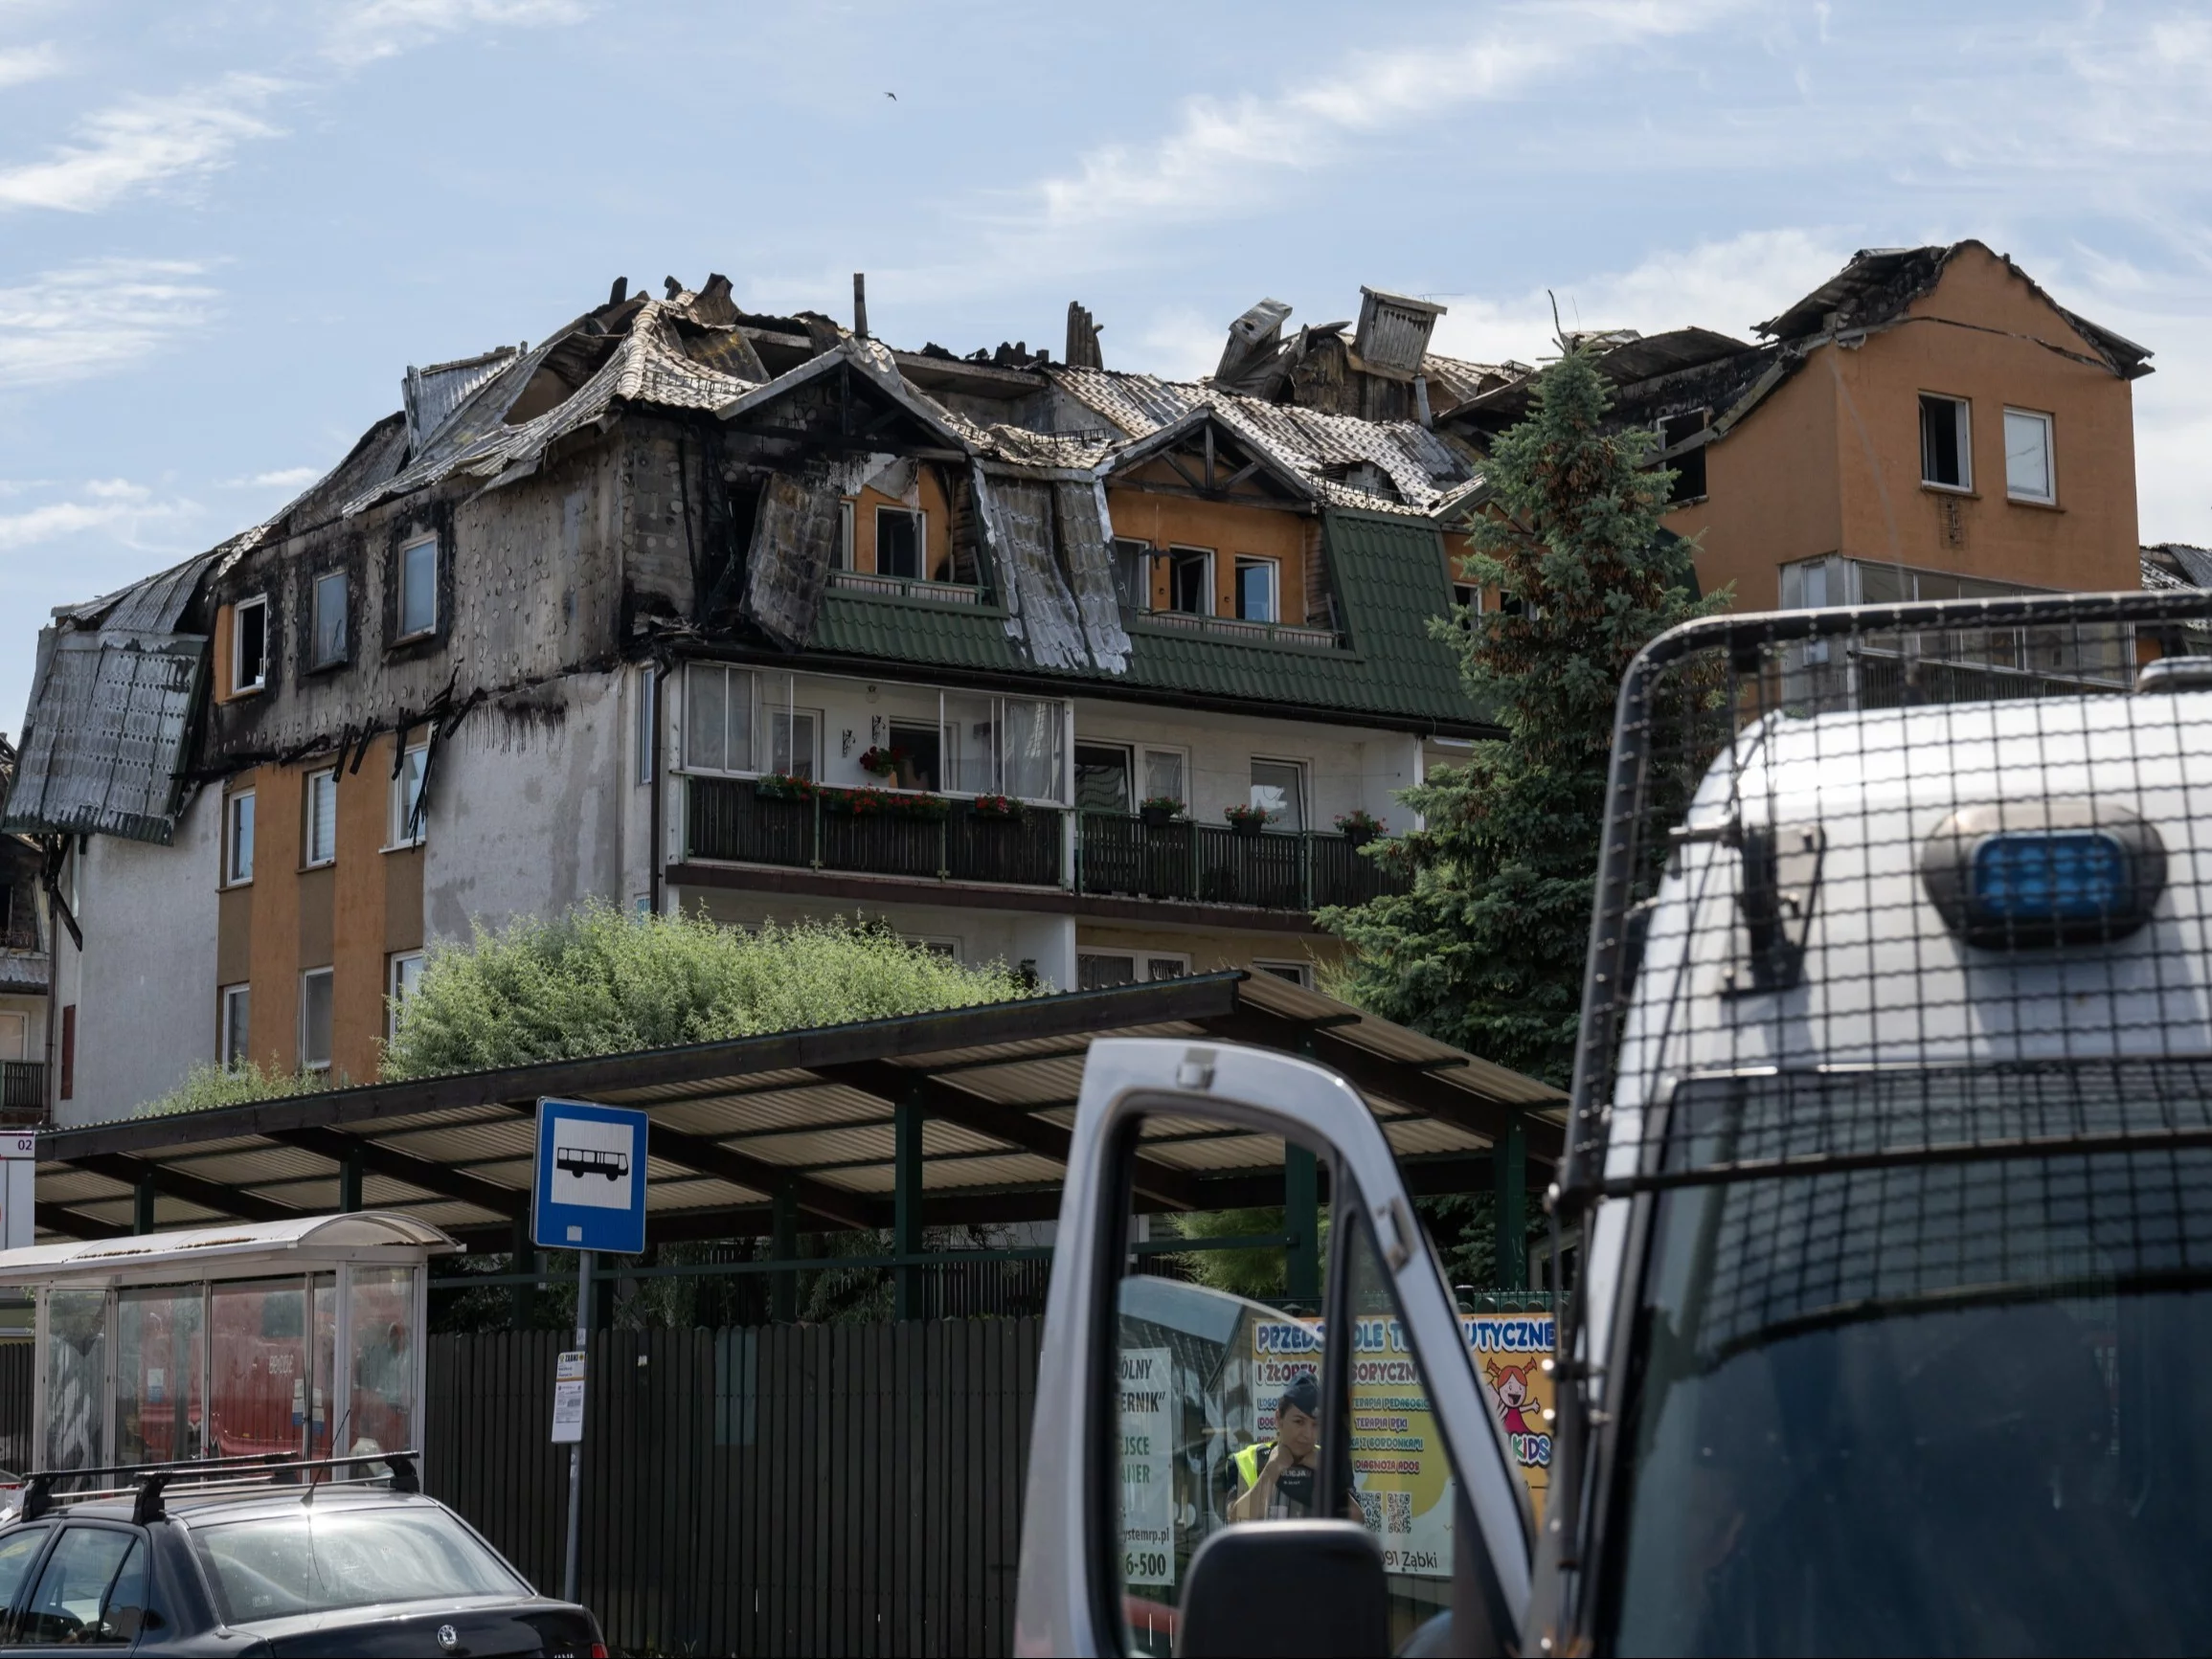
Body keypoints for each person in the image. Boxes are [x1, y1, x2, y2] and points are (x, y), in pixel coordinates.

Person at [1230, 1375, 1323, 1522]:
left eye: (1315, 1424)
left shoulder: (1328, 1460)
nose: (1308, 1434)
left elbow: (1355, 1518)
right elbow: (1235, 1519)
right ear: (1279, 1419)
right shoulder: (1247, 1460)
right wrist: (1271, 1470)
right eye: (1299, 1422)